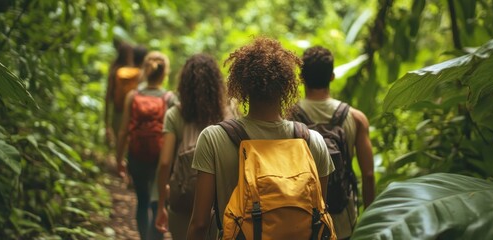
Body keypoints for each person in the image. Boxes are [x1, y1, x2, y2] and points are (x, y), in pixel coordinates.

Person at [187, 38, 335, 239]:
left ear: (242, 88)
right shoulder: (312, 142)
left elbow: (200, 223)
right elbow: (318, 213)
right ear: (287, 87)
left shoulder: (214, 138)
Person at [293, 46, 375, 240]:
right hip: (343, 219)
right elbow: (369, 175)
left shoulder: (289, 117)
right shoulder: (355, 118)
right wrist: (370, 223)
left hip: (301, 220)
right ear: (332, 76)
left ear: (301, 78)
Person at [154, 54, 232, 239]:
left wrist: (161, 205)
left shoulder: (175, 115)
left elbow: (165, 162)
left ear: (184, 85)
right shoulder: (228, 112)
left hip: (182, 201)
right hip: (219, 204)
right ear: (216, 85)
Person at [116, 51, 177, 240]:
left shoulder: (132, 96)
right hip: (160, 157)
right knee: (157, 203)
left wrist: (119, 159)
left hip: (136, 155)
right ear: (164, 73)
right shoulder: (169, 98)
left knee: (142, 202)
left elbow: (123, 131)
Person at [105, 42, 148, 146]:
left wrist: (106, 123)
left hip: (117, 111)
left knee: (119, 143)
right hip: (132, 114)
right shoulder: (139, 74)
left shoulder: (116, 71)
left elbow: (108, 96)